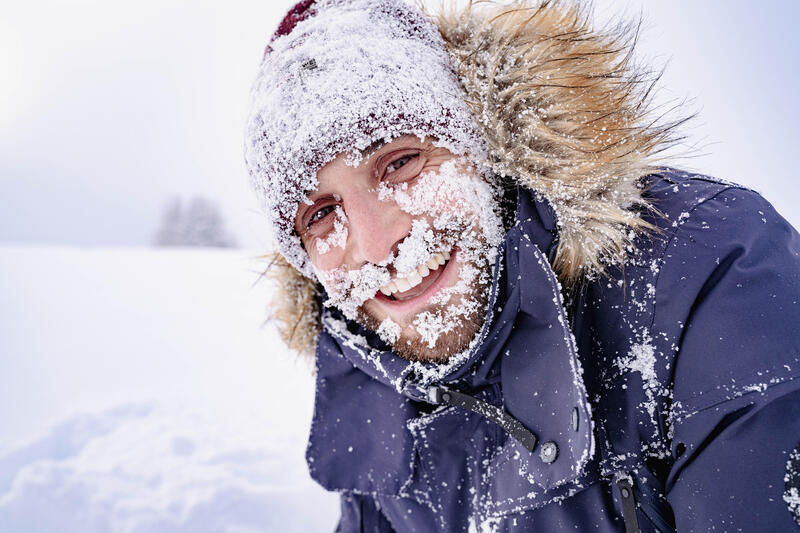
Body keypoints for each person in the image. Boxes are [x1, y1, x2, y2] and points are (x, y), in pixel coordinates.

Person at [244, 1, 800, 531]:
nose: (375, 243)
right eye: (320, 215)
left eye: (402, 161)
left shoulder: (711, 271)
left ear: (484, 145)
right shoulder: (369, 377)